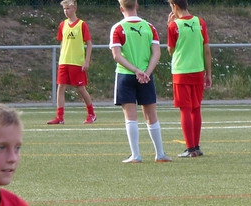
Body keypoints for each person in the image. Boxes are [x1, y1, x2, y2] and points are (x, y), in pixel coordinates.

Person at [109, 0, 171, 163]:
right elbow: (156, 53)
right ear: (136, 6)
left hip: (125, 75)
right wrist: (146, 72)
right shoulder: (149, 27)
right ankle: (160, 153)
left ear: (121, 8)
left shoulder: (118, 28)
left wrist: (135, 70)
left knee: (131, 117)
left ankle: (136, 155)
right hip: (146, 76)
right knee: (151, 115)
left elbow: (117, 55)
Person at [167, 0, 211, 157]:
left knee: (185, 109)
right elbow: (206, 50)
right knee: (196, 108)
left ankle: (190, 149)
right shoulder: (200, 22)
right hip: (198, 70)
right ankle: (196, 147)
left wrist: (169, 25)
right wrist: (208, 73)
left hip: (181, 72)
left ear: (175, 6)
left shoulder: (174, 26)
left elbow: (171, 50)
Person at [47, 0, 96, 125]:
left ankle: (91, 114)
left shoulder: (81, 24)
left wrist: (86, 61)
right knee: (61, 87)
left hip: (77, 62)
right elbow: (63, 42)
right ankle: (60, 117)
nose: (66, 11)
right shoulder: (62, 24)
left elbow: (89, 44)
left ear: (74, 8)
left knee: (81, 89)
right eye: (64, 9)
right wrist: (62, 58)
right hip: (64, 61)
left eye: (68, 8)